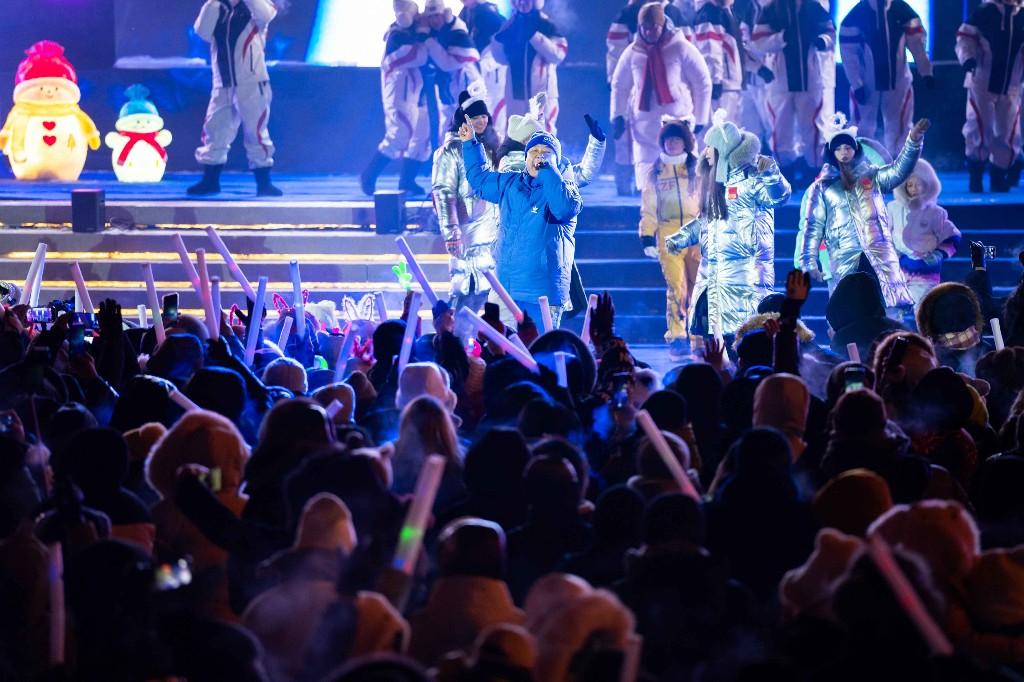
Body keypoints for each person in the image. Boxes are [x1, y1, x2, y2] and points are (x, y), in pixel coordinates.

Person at [665, 110, 791, 342]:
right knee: (716, 342)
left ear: (723, 150)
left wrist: (771, 174)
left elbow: (779, 197)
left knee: (743, 341)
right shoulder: (715, 184)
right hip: (714, 276)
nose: (705, 153)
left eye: (710, 147)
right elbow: (706, 222)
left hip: (745, 277)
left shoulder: (752, 178)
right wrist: (681, 238)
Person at [796, 113, 929, 316]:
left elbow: (899, 170)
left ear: (856, 149)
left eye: (848, 147)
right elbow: (811, 226)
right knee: (850, 313)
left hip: (878, 254)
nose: (844, 152)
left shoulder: (872, 176)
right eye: (838, 148)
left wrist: (913, 141)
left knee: (888, 311)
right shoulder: (821, 187)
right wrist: (808, 262)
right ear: (831, 152)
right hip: (845, 258)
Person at [462, 121, 582, 329]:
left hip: (542, 295)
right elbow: (480, 181)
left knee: (537, 347)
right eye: (534, 151)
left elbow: (563, 209)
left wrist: (547, 170)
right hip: (505, 289)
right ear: (525, 157)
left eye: (546, 152)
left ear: (556, 158)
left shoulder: (567, 191)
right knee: (502, 345)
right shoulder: (511, 183)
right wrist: (470, 143)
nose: (539, 156)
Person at [611, 2, 712, 191]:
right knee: (648, 177)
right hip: (644, 124)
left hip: (677, 121)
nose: (649, 32)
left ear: (663, 24)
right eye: (645, 28)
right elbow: (620, 86)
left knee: (682, 176)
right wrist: (618, 115)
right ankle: (648, 200)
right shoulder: (632, 53)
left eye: (654, 27)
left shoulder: (681, 48)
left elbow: (702, 83)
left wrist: (701, 118)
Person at [188, 0, 282, 197]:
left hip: (252, 81)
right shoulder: (217, 7)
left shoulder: (254, 6)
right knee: (216, 130)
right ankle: (210, 180)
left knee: (256, 132)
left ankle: (264, 183)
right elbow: (202, 32)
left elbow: (266, 15)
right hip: (223, 83)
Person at [751, 0, 836, 184]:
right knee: (781, 129)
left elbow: (830, 32)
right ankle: (785, 173)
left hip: (810, 79)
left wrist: (822, 41)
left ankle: (814, 172)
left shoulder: (813, 6)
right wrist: (781, 38)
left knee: (813, 129)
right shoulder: (772, 8)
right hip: (780, 81)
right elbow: (758, 42)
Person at [432, 89, 500, 315]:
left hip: (488, 234)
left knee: (487, 293)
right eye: (475, 117)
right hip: (465, 233)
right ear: (464, 120)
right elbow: (443, 193)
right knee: (464, 291)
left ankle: (478, 336)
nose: (481, 121)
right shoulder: (450, 151)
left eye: (484, 116)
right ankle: (454, 333)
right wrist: (452, 233)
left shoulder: (488, 147)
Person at [639, 118, 701, 357]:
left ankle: (698, 336)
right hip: (669, 234)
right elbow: (649, 207)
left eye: (677, 138)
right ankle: (677, 336)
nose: (672, 143)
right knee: (677, 286)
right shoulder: (655, 172)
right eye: (668, 139)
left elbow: (709, 201)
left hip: (696, 234)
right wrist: (647, 236)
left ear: (685, 142)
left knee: (697, 287)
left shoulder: (698, 169)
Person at [839, 0, 933, 155]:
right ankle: (861, 162)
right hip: (867, 81)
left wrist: (926, 71)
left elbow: (917, 44)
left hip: (898, 79)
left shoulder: (903, 12)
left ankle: (900, 163)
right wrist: (857, 84)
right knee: (862, 125)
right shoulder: (856, 16)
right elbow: (849, 54)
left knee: (900, 125)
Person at [361, 0, 432, 197]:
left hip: (417, 93)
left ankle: (407, 180)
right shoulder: (397, 35)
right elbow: (419, 55)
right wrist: (424, 34)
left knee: (422, 137)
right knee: (399, 135)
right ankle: (369, 175)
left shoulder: (411, 32)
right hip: (400, 94)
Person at [957, 0, 1024, 192]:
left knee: (1008, 132)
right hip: (982, 81)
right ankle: (976, 174)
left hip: (1011, 84)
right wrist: (967, 58)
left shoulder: (1021, 15)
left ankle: (998, 174)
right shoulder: (986, 12)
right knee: (979, 126)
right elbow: (965, 38)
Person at [887, 159, 962, 305]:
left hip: (925, 270)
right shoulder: (893, 208)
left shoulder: (936, 212)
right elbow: (885, 235)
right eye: (910, 185)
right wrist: (892, 255)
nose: (914, 189)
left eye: (918, 184)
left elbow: (953, 236)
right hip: (899, 268)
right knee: (895, 308)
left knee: (922, 307)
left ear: (927, 185)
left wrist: (938, 254)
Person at [489, 0, 567, 136]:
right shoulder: (510, 25)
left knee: (542, 137)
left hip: (541, 92)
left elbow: (558, 55)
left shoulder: (546, 24)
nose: (521, 3)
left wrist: (534, 36)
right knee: (516, 137)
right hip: (515, 93)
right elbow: (500, 58)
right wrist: (500, 42)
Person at [419, 0, 482, 164]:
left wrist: (429, 41)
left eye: (437, 16)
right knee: (448, 130)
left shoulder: (456, 32)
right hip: (448, 88)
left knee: (468, 128)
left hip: (465, 84)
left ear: (443, 14)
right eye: (430, 17)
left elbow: (448, 63)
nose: (434, 20)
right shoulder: (434, 33)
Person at [693, 0, 749, 122]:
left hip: (730, 84)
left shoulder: (725, 12)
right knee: (722, 129)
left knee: (731, 129)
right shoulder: (710, 13)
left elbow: (736, 49)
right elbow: (710, 50)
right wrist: (715, 80)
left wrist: (757, 67)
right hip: (723, 86)